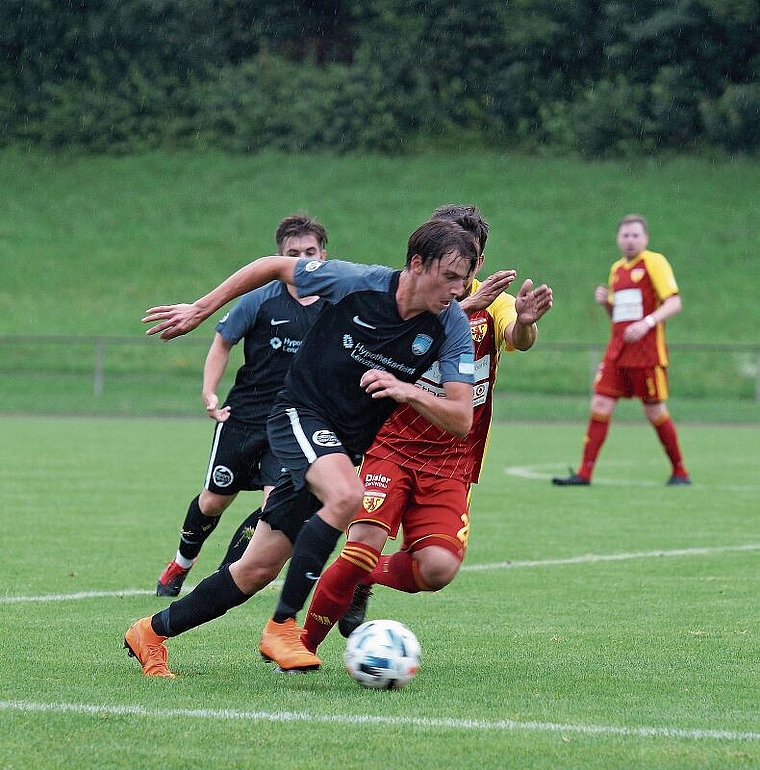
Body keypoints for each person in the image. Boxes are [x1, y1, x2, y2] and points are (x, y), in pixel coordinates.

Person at [124, 216, 479, 677]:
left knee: (255, 570)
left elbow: (461, 418)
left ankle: (150, 632)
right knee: (348, 496)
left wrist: (407, 389)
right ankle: (283, 625)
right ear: (416, 264)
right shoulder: (357, 282)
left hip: (342, 446)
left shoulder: (450, 326)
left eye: (464, 279)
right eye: (449, 276)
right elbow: (271, 265)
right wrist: (201, 308)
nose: (457, 289)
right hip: (298, 414)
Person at [298, 205, 553, 657]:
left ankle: (363, 578)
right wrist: (459, 309)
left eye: (472, 257)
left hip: (452, 457)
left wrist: (527, 324)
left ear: (479, 259)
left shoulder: (495, 301)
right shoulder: (416, 292)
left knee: (437, 569)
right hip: (391, 443)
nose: (462, 266)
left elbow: (516, 336)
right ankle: (298, 646)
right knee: (361, 545)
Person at [155, 214, 328, 597]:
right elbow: (223, 341)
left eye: (310, 252)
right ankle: (181, 563)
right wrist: (209, 392)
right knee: (214, 500)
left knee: (274, 507)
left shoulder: (333, 306)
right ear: (280, 256)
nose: (302, 259)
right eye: (293, 253)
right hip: (243, 417)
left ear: (323, 254)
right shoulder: (260, 298)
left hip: (292, 423)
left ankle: (225, 578)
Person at [552, 213, 691, 487]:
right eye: (625, 235)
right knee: (600, 403)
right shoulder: (617, 269)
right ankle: (584, 473)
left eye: (635, 235)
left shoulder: (654, 262)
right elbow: (621, 316)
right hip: (617, 351)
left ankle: (680, 472)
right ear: (618, 239)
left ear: (645, 238)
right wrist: (606, 303)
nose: (630, 240)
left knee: (654, 410)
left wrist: (647, 323)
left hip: (647, 353)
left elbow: (674, 303)